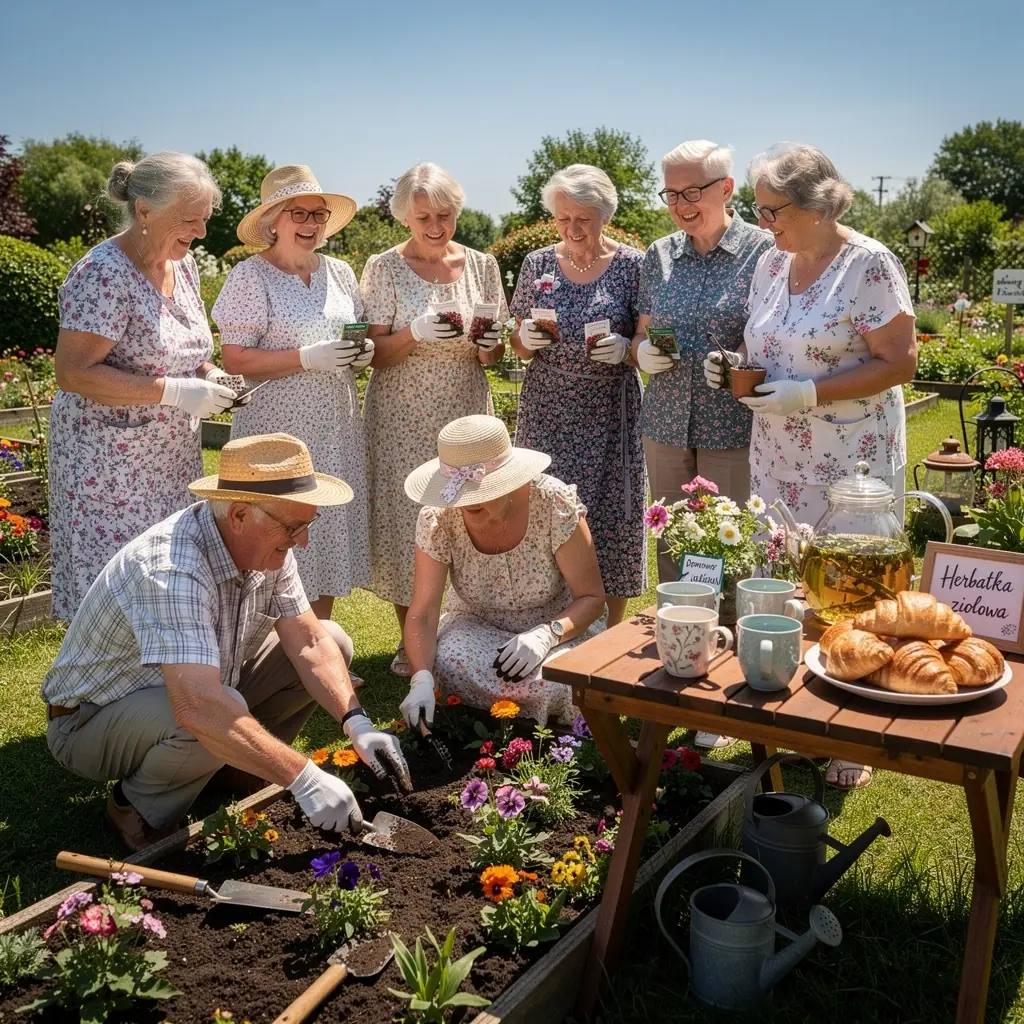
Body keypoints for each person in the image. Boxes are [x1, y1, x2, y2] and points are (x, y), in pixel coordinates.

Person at [41, 434, 410, 852]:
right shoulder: (172, 568)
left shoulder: (267, 543)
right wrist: (303, 778)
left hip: (187, 691)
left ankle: (232, 766)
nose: (302, 541)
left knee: (334, 642)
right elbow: (198, 706)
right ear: (239, 515)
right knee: (214, 713)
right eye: (294, 527)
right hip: (89, 722)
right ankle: (134, 808)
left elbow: (309, 640)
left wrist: (356, 722)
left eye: (308, 524)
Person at [705, 144, 917, 789]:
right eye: (760, 210)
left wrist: (811, 392)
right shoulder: (772, 262)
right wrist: (731, 367)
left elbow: (900, 361)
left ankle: (853, 731)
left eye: (774, 210)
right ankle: (794, 707)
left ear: (818, 205)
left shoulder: (869, 264)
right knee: (788, 575)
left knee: (854, 583)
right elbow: (764, 341)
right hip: (777, 450)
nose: (764, 224)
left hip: (850, 456)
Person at [50, 152, 241, 621]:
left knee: (165, 583)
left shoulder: (186, 265)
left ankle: (167, 687)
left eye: (204, 220)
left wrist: (208, 376)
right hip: (108, 466)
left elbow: (191, 354)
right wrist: (173, 392)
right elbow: (73, 373)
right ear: (144, 211)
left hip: (171, 461)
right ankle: (94, 692)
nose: (199, 232)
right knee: (116, 592)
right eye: (188, 220)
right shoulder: (103, 274)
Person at [633, 140, 774, 752]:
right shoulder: (657, 256)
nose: (682, 205)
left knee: (733, 555)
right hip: (666, 421)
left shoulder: (764, 253)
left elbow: (779, 334)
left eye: (694, 191)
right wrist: (642, 352)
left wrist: (744, 364)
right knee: (675, 556)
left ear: (727, 189)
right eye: (671, 193)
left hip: (733, 426)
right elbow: (643, 329)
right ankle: (683, 674)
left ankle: (740, 690)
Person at [360, 163, 507, 677]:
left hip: (466, 410)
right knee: (412, 522)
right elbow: (371, 354)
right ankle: (412, 637)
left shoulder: (483, 265)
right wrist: (415, 333)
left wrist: (490, 345)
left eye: (445, 214)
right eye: (424, 216)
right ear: (405, 216)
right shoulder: (383, 267)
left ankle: (469, 628)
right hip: (401, 413)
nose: (437, 225)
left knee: (472, 517)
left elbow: (494, 353)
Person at [214, 165, 372, 621]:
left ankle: (318, 639)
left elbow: (354, 335)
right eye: (297, 212)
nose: (310, 223)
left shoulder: (340, 272)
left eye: (318, 214)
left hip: (335, 425)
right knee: (275, 527)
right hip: (276, 432)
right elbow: (235, 359)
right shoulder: (251, 277)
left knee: (321, 527)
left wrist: (357, 354)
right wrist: (305, 357)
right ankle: (266, 649)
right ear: (273, 222)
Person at [402, 415, 606, 727]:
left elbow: (591, 598)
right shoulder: (437, 517)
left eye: (479, 494)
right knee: (447, 663)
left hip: (557, 627)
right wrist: (421, 679)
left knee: (559, 680)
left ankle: (552, 738)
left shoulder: (553, 502)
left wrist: (547, 634)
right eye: (460, 493)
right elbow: (423, 614)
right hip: (476, 625)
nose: (466, 504)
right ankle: (481, 728)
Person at [509, 164, 646, 626]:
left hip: (610, 412)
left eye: (583, 218)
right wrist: (525, 337)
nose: (572, 229)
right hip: (547, 408)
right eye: (563, 218)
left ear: (604, 215)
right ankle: (545, 623)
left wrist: (627, 350)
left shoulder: (631, 265)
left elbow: (646, 342)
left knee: (610, 517)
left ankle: (607, 631)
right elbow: (515, 342)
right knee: (544, 514)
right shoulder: (538, 264)